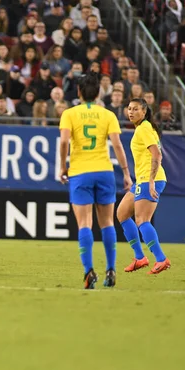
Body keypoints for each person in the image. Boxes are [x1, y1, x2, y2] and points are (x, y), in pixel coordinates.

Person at [59, 73, 132, 289]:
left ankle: (88, 271)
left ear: (79, 92)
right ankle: (111, 269)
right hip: (104, 171)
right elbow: (117, 145)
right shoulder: (108, 115)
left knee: (84, 224)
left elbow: (64, 141)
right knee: (107, 222)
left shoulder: (69, 114)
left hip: (81, 172)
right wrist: (126, 172)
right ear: (99, 92)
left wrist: (63, 166)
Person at [117, 98, 171, 275]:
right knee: (122, 213)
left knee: (142, 220)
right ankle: (140, 257)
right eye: (129, 109)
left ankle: (161, 259)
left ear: (144, 111)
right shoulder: (143, 128)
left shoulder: (144, 128)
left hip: (150, 179)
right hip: (142, 179)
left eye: (135, 109)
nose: (131, 112)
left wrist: (151, 180)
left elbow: (156, 155)